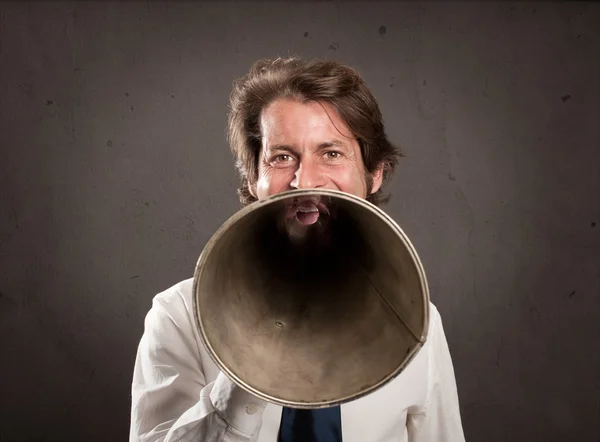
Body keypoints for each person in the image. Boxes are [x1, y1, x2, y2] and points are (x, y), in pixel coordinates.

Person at [129, 57, 466, 442]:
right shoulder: (179, 315)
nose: (305, 181)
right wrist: (249, 370)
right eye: (282, 157)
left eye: (332, 153)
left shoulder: (415, 321)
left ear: (374, 174)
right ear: (254, 179)